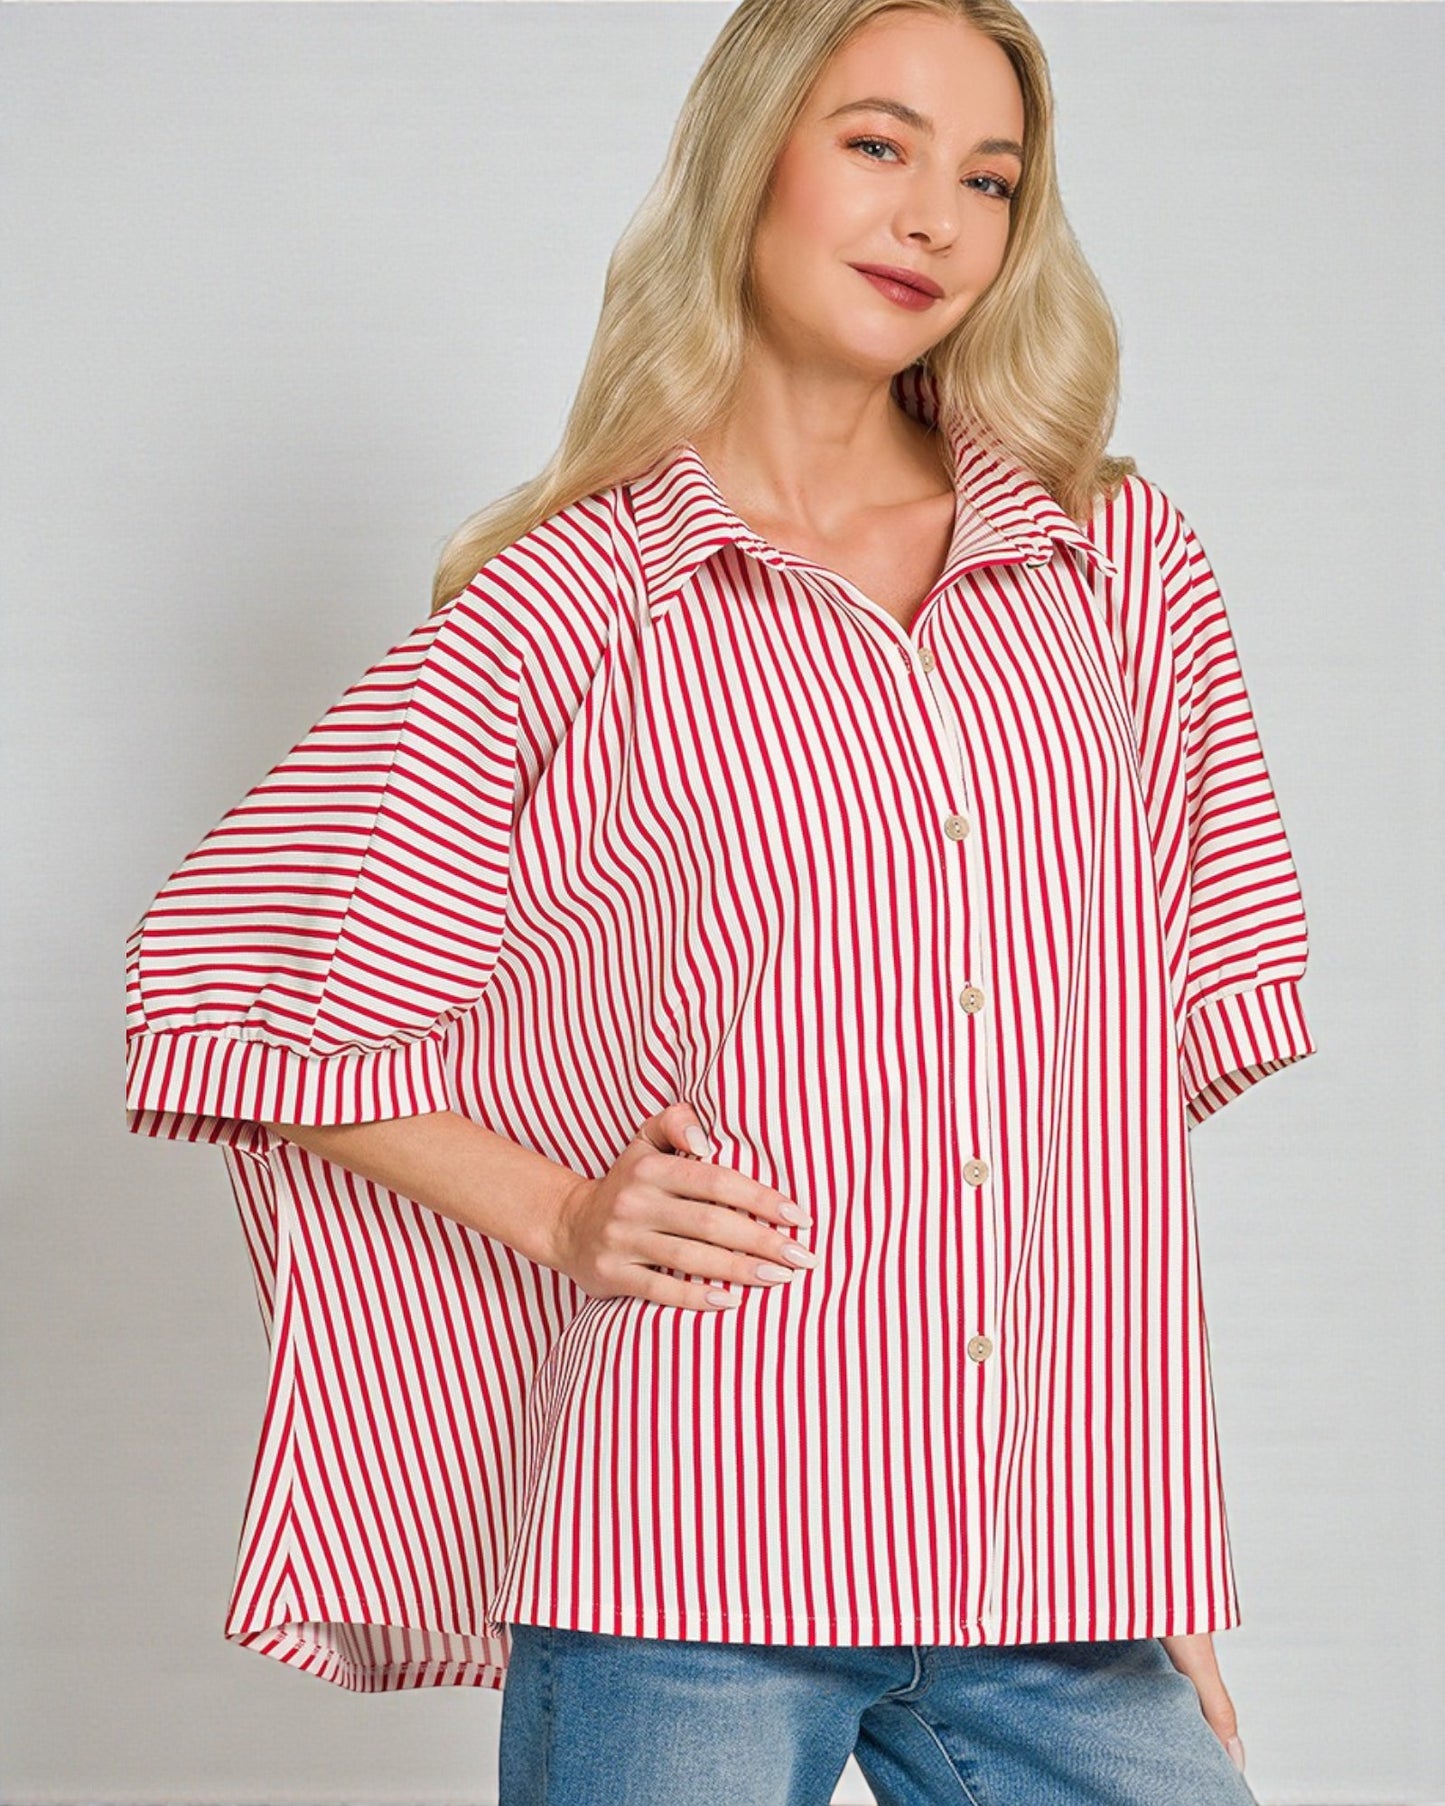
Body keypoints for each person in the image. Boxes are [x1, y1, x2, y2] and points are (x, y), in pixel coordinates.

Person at [124, 0, 1317, 1799]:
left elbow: (1111, 1089)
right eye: (876, 144)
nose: (934, 216)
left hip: (1051, 1571)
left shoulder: (1110, 564)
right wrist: (555, 1211)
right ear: (747, 155)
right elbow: (220, 975)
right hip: (686, 1542)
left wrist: (1136, 1533)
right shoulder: (581, 597)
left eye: (987, 179)